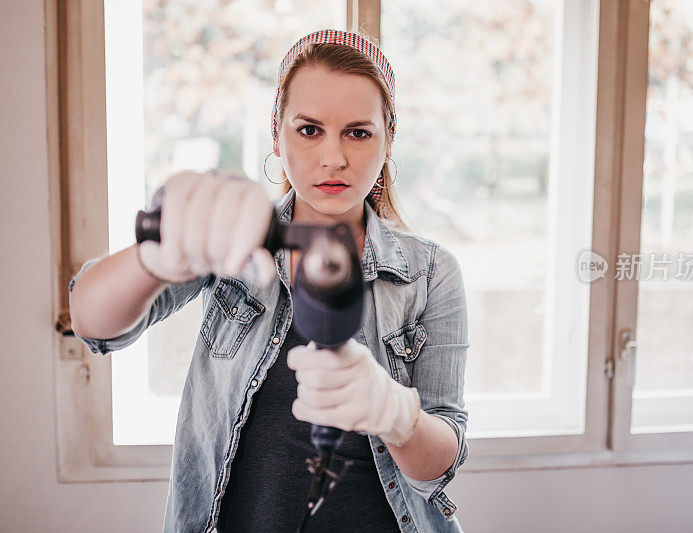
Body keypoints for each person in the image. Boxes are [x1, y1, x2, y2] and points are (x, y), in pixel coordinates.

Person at [68, 29, 469, 532]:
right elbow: (92, 324)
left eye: (358, 132)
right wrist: (156, 258)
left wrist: (399, 417)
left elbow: (441, 464)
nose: (333, 159)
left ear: (389, 139)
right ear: (276, 135)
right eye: (309, 130)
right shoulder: (232, 240)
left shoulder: (431, 273)